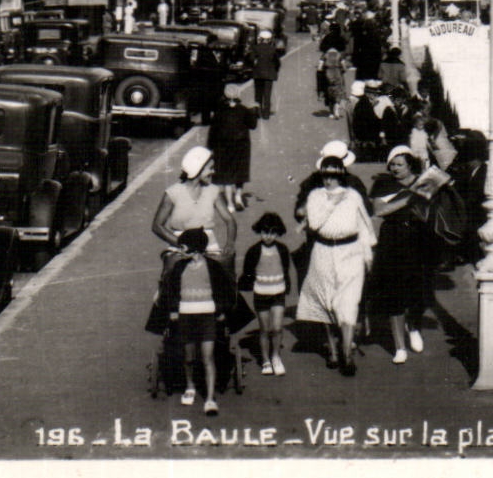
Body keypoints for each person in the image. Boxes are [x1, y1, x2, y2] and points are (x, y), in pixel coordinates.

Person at [295, 155, 376, 375]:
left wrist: (368, 255)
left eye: (334, 175)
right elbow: (314, 223)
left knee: (349, 303)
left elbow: (365, 226)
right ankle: (332, 350)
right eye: (325, 175)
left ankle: (347, 355)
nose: (329, 180)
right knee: (327, 303)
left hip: (350, 252)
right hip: (323, 252)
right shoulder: (315, 196)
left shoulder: (353, 196)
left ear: (342, 175)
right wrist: (332, 202)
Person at [368, 148, 438, 365]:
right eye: (392, 165)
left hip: (420, 240)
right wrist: (409, 198)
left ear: (410, 164)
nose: (395, 169)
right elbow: (380, 211)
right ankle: (399, 346)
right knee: (394, 293)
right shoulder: (383, 184)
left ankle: (414, 327)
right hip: (393, 240)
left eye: (399, 164)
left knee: (418, 290)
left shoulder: (425, 181)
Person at [158, 228, 236, 415]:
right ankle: (190, 386)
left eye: (182, 246)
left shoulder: (213, 267)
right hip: (186, 316)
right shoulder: (179, 267)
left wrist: (221, 310)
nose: (180, 249)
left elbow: (225, 290)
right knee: (189, 357)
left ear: (192, 247)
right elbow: (170, 291)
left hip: (207, 316)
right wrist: (173, 310)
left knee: (208, 357)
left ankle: (210, 399)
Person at [152, 146, 237, 272]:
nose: (213, 172)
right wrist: (180, 243)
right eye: (210, 168)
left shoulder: (213, 191)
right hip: (181, 245)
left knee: (224, 274)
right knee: (171, 271)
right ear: (198, 168)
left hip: (208, 244)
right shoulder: (173, 193)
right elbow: (157, 226)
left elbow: (230, 220)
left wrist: (230, 243)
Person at [238, 213, 296, 376]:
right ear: (259, 231)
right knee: (264, 329)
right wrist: (247, 284)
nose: (268, 236)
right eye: (264, 232)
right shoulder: (254, 251)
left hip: (278, 293)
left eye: (272, 232)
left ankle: (275, 357)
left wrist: (287, 287)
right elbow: (248, 272)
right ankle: (265, 360)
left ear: (278, 233)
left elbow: (286, 270)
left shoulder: (282, 249)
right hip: (261, 294)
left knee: (277, 328)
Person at [207, 85, 259, 212]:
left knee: (227, 175)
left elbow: (213, 131)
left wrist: (209, 148)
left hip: (222, 147)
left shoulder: (219, 111)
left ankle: (229, 204)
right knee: (239, 172)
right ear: (238, 95)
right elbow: (253, 125)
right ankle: (238, 197)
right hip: (241, 146)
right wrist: (255, 110)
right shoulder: (244, 110)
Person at [250, 29, 281, 120]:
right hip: (269, 74)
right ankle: (266, 114)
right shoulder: (272, 49)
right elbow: (277, 62)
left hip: (258, 74)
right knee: (267, 95)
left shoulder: (256, 48)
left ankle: (257, 113)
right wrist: (275, 70)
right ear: (269, 39)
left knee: (258, 94)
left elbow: (251, 59)